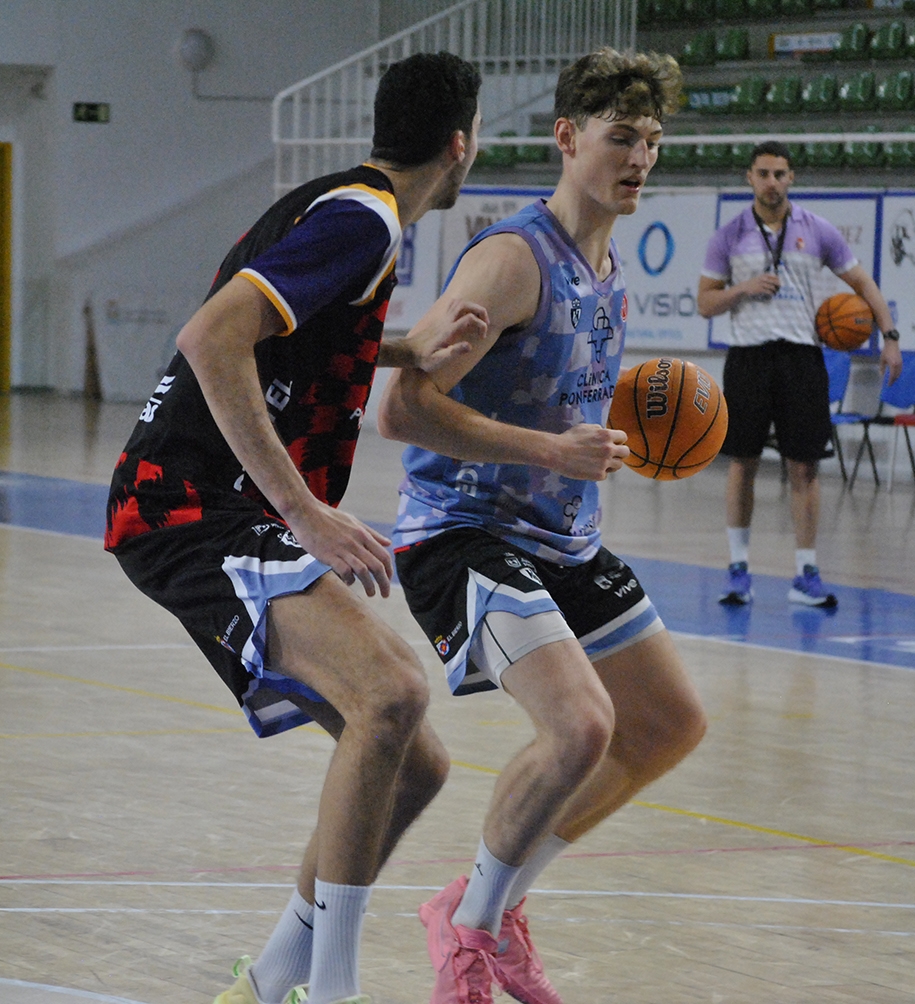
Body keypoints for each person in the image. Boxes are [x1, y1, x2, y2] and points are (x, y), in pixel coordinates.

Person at [104, 53, 486, 1004]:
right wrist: (306, 512)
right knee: (394, 693)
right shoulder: (364, 222)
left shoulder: (344, 207)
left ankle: (271, 982)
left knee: (415, 764)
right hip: (190, 504)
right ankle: (335, 987)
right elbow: (212, 337)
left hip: (202, 500)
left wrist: (406, 348)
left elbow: (290, 328)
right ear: (461, 146)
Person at [377, 49, 707, 1004]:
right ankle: (469, 931)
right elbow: (400, 410)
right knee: (580, 728)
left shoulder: (609, 274)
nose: (639, 157)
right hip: (459, 530)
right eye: (620, 137)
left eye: (651, 140)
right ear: (567, 138)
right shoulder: (512, 259)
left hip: (561, 540)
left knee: (667, 725)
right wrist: (546, 449)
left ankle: (491, 900)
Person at [696, 140, 902, 609]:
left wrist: (889, 335)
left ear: (792, 179)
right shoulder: (728, 235)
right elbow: (705, 303)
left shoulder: (818, 230)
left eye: (780, 174)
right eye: (764, 173)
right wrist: (743, 288)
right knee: (743, 462)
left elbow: (862, 283)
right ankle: (738, 569)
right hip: (748, 356)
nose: (772, 182)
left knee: (805, 465)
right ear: (749, 178)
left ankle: (807, 571)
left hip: (802, 357)